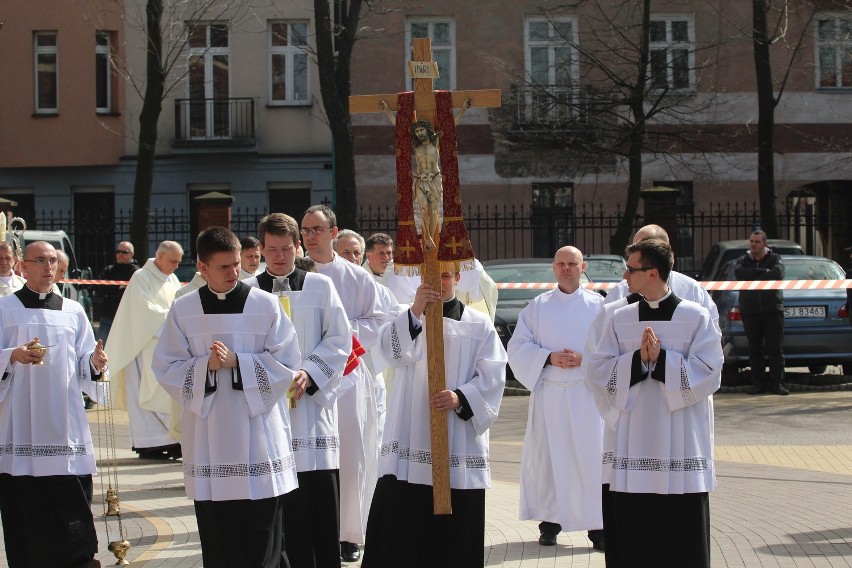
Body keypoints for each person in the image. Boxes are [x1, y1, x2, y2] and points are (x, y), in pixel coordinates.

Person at [152, 227, 301, 568]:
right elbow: (165, 366)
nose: (235, 272)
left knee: (263, 534)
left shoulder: (265, 304)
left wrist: (238, 363)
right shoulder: (184, 309)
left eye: (237, 264)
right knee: (219, 538)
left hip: (259, 437)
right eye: (224, 267)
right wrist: (206, 365)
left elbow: (289, 361)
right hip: (209, 438)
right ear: (202, 268)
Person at [586, 239, 722, 568]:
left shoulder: (696, 317)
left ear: (652, 272)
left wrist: (662, 363)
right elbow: (597, 369)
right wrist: (636, 361)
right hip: (632, 444)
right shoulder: (619, 319)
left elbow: (710, 371)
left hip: (680, 444)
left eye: (631, 269)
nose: (625, 275)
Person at [362, 269, 507, 568]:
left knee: (454, 536)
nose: (437, 283)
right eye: (430, 276)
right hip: (410, 434)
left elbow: (494, 375)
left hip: (457, 439)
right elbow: (389, 352)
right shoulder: (408, 317)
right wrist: (415, 311)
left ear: (456, 277)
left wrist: (461, 397)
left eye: (443, 276)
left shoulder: (477, 324)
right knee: (404, 523)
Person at [245, 213, 352, 568]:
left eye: (286, 248)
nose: (279, 256)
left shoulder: (319, 287)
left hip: (311, 413)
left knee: (317, 502)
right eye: (271, 249)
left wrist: (310, 372)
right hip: (268, 411)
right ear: (260, 249)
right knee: (277, 511)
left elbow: (339, 339)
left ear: (298, 246)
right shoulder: (248, 292)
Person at [0, 241, 109, 567]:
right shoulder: (5, 309)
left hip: (64, 425)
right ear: (24, 266)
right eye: (41, 261)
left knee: (70, 507)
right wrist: (11, 356)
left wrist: (96, 362)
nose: (49, 267)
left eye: (53, 261)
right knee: (27, 510)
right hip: (19, 425)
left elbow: (85, 364)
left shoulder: (73, 311)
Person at [301, 204, 387, 563]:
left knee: (349, 455)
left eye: (317, 229)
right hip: (304, 381)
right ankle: (306, 527)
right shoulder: (294, 274)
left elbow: (379, 322)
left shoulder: (355, 276)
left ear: (334, 233)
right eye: (305, 230)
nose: (310, 236)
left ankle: (349, 534)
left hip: (347, 378)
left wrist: (342, 332)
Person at [507, 246, 605, 550]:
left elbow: (611, 350)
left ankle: (597, 527)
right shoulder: (538, 306)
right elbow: (517, 348)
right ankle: (550, 522)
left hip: (586, 394)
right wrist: (548, 357)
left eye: (572, 264)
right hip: (550, 393)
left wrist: (584, 359)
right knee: (549, 458)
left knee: (589, 460)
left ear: (583, 266)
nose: (566, 269)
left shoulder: (599, 306)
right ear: (553, 267)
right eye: (561, 264)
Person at [105, 241, 183, 458]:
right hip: (143, 345)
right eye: (172, 261)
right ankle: (150, 443)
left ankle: (173, 439)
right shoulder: (141, 277)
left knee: (166, 393)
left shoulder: (173, 279)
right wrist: (174, 320)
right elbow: (145, 312)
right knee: (145, 392)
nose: (176, 266)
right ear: (159, 256)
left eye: (178, 262)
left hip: (165, 346)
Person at [379, 98, 470, 250]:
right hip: (420, 180)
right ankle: (427, 237)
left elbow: (451, 125)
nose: (419, 133)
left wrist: (463, 110)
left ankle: (433, 235)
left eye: (421, 130)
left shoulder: (435, 143)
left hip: (434, 179)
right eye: (417, 131)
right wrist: (387, 110)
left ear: (427, 130)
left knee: (433, 210)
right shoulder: (416, 146)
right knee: (423, 209)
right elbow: (399, 125)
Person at [606, 224, 719, 332]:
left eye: (642, 247)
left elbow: (710, 337)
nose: (634, 253)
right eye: (634, 247)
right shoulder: (618, 295)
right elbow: (600, 344)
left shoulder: (692, 290)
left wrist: (665, 353)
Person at [734, 230, 787, 395]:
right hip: (751, 312)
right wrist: (763, 272)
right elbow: (740, 274)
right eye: (751, 241)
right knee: (754, 349)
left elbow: (778, 274)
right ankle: (758, 383)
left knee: (775, 348)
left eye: (757, 242)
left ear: (764, 243)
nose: (753, 245)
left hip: (772, 311)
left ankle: (777, 383)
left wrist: (755, 276)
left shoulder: (775, 258)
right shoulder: (743, 260)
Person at [94, 241, 139, 345]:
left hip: (127, 318)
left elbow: (132, 292)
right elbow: (99, 289)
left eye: (124, 252)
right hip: (107, 316)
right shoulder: (109, 270)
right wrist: (118, 287)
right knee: (100, 347)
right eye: (118, 251)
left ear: (131, 254)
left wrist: (110, 290)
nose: (120, 255)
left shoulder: (136, 272)